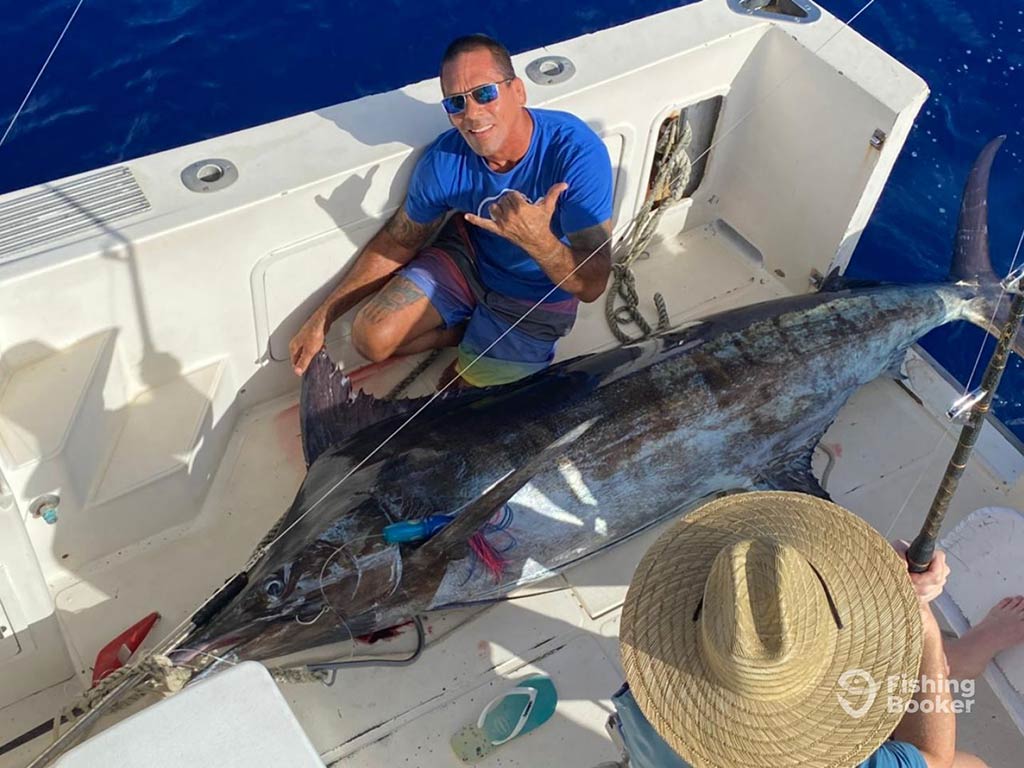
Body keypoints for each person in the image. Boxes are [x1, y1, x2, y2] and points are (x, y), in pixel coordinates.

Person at [289, 33, 613, 387]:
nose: (472, 114)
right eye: (455, 103)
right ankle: (465, 329)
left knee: (459, 396)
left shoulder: (576, 153)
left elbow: (593, 283)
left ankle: (481, 338)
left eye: (484, 93)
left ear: (518, 91)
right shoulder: (444, 160)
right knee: (370, 338)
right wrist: (324, 316)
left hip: (536, 294)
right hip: (468, 259)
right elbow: (399, 242)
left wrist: (539, 242)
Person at [615, 491, 1024, 768]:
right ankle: (952, 659)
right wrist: (918, 616)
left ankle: (955, 660)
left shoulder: (648, 690)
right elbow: (934, 757)